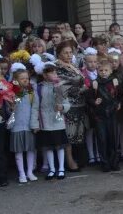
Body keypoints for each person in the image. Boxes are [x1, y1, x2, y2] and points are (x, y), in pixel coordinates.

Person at [31, 64, 71, 180]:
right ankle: (52, 169)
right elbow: (35, 107)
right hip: (45, 122)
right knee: (48, 147)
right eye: (51, 73)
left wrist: (62, 107)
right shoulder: (38, 88)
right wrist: (35, 123)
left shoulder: (60, 86)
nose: (54, 75)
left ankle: (61, 168)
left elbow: (66, 103)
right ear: (44, 75)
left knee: (60, 146)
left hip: (58, 121)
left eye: (55, 73)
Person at [54, 41, 85, 172]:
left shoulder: (73, 65)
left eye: (70, 52)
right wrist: (81, 87)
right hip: (68, 104)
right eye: (65, 52)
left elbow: (81, 81)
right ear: (59, 54)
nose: (68, 55)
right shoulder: (57, 67)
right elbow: (62, 85)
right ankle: (69, 160)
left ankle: (78, 158)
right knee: (68, 134)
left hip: (80, 103)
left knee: (78, 133)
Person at [86, 58, 121, 172]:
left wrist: (118, 103)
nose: (103, 72)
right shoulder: (95, 83)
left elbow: (119, 95)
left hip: (112, 114)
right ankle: (104, 163)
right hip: (100, 115)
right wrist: (94, 102)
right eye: (101, 70)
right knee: (102, 139)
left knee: (113, 138)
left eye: (106, 70)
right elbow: (89, 98)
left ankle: (114, 162)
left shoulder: (115, 81)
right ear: (97, 71)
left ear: (110, 71)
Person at [9, 68, 37, 183]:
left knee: (30, 149)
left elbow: (35, 108)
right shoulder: (11, 92)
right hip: (17, 125)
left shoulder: (31, 92)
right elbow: (10, 107)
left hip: (29, 124)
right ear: (16, 80)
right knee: (19, 151)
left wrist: (34, 123)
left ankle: (30, 171)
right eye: (22, 78)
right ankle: (21, 173)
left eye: (27, 78)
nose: (25, 80)